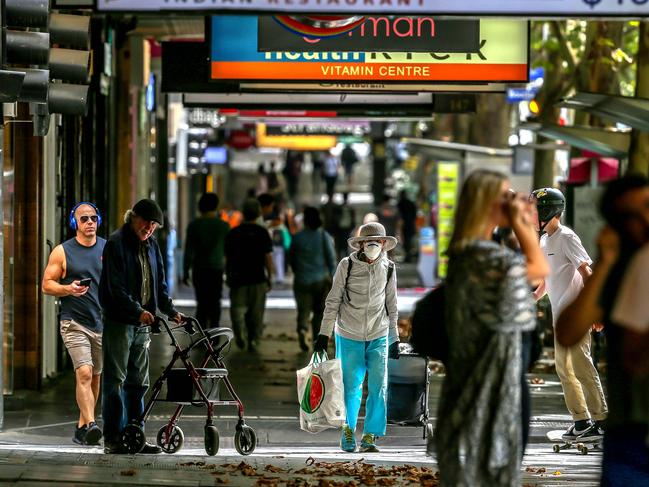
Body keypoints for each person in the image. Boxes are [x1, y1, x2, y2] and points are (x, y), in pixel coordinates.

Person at [436, 169, 549, 487]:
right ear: (486, 204)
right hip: (492, 392)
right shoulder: (484, 258)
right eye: (504, 196)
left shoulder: (465, 253)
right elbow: (539, 270)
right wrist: (523, 225)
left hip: (478, 384)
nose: (511, 201)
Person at [557, 176, 649, 486]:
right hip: (630, 428)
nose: (644, 220)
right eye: (631, 215)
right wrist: (607, 262)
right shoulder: (619, 270)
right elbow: (568, 332)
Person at [99, 198, 183, 454]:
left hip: (143, 324)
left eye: (154, 225)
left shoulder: (151, 244)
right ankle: (113, 437)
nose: (149, 228)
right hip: (121, 322)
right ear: (132, 217)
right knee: (116, 380)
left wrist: (169, 309)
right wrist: (138, 312)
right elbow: (116, 288)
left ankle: (135, 435)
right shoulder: (116, 243)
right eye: (146, 222)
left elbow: (159, 281)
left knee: (138, 382)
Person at [315, 222, 400, 454]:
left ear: (384, 244)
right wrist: (323, 334)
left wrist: (395, 339)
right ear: (360, 244)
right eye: (368, 241)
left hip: (379, 333)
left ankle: (371, 435)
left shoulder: (389, 268)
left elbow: (392, 305)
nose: (373, 245)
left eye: (378, 241)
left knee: (379, 386)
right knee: (351, 386)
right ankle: (348, 430)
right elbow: (333, 301)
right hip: (348, 333)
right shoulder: (347, 265)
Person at [531, 188, 607, 441]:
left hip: (577, 316)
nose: (531, 215)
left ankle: (601, 420)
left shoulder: (567, 237)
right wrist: (530, 298)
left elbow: (587, 273)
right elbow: (546, 280)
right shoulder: (544, 241)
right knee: (564, 371)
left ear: (547, 210)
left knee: (582, 367)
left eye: (535, 209)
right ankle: (581, 420)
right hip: (559, 319)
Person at [42, 202, 106, 446]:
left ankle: (82, 427)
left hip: (100, 323)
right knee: (84, 372)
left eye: (93, 218)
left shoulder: (107, 249)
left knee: (96, 377)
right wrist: (67, 288)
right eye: (83, 219)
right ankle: (91, 424)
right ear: (74, 223)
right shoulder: (62, 251)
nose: (89, 222)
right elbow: (47, 284)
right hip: (73, 322)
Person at [225, 199, 274, 353]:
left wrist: (227, 275)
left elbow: (228, 257)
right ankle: (254, 340)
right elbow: (268, 258)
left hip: (238, 278)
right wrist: (270, 276)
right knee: (256, 313)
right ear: (259, 213)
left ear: (243, 213)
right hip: (257, 278)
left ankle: (239, 334)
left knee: (237, 311)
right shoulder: (262, 232)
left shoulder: (234, 232)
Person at [289, 207, 336, 352]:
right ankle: (317, 339)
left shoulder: (297, 238)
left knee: (303, 310)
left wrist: (298, 271)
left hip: (302, 280)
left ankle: (302, 330)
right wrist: (333, 278)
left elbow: (291, 259)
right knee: (319, 312)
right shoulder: (324, 236)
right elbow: (331, 259)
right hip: (320, 281)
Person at [183, 192, 230, 329]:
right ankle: (214, 334)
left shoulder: (194, 226)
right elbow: (229, 252)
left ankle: (203, 334)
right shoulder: (224, 226)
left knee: (202, 303)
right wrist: (229, 271)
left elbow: (188, 251)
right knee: (215, 302)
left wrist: (186, 271)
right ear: (216, 206)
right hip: (216, 269)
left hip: (199, 269)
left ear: (200, 207)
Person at [397, 190, 417, 262]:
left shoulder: (400, 204)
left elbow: (399, 215)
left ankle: (408, 256)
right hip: (410, 224)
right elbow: (415, 215)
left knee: (405, 241)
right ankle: (408, 256)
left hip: (404, 225)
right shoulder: (411, 203)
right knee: (409, 240)